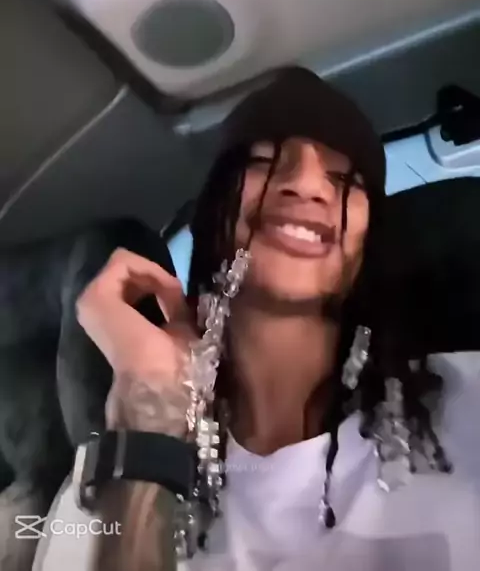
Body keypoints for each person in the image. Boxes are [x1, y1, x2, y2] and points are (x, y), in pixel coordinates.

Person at [34, 66, 480, 571]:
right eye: (263, 161)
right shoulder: (103, 485)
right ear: (211, 217)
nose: (307, 184)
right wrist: (148, 420)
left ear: (368, 244)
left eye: (343, 179)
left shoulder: (469, 405)